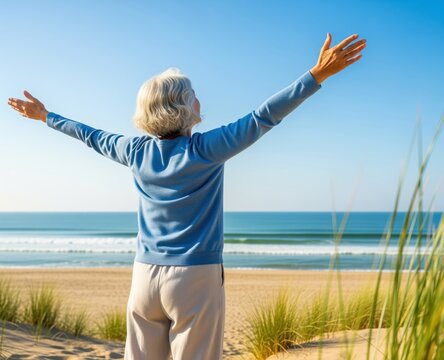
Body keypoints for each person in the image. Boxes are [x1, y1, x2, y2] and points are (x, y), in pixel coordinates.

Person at [7, 33, 366, 360]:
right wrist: (315, 76)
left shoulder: (135, 151)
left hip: (144, 277)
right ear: (183, 105)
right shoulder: (206, 149)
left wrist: (45, 116)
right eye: (194, 94)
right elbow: (263, 117)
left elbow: (89, 134)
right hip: (194, 278)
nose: (200, 98)